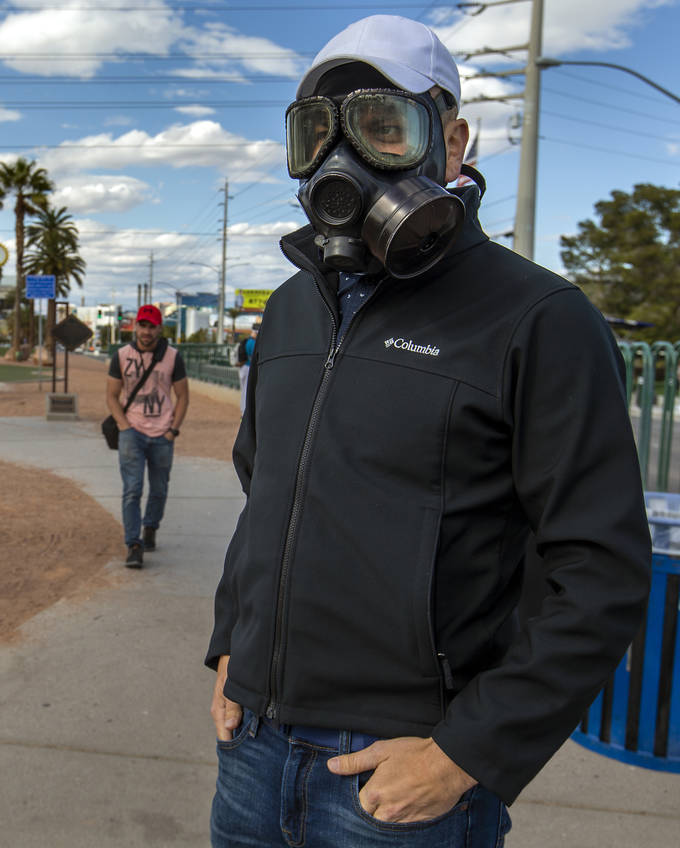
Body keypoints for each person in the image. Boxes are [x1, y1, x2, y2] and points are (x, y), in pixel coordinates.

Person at [206, 16, 651, 847]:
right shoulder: (290, 310)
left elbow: (601, 573)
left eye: (381, 125)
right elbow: (261, 493)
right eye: (318, 133)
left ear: (451, 143)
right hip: (252, 749)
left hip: (401, 777)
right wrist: (230, 646)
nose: (345, 159)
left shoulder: (539, 319)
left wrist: (468, 754)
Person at [105, 304, 189, 569]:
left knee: (159, 489)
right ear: (135, 326)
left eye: (152, 326)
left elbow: (183, 395)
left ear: (159, 329)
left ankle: (150, 526)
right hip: (132, 432)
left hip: (162, 433)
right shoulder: (121, 355)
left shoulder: (173, 357)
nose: (146, 331)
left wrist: (172, 430)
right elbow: (111, 395)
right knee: (132, 490)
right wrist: (124, 427)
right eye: (142, 325)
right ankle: (134, 544)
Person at [234, 323, 259, 415]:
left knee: (243, 391)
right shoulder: (254, 343)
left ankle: (243, 412)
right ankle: (245, 413)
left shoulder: (246, 341)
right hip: (250, 369)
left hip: (243, 368)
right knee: (248, 392)